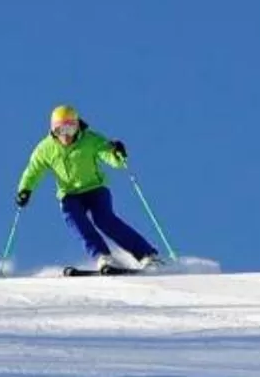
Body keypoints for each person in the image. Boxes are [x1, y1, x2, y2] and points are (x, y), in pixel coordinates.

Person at [15, 104, 164, 271]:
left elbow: (108, 155)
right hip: (69, 194)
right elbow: (33, 170)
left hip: (95, 189)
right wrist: (25, 189)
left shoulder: (91, 140)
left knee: (104, 220)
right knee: (75, 221)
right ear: (52, 131)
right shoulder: (45, 149)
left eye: (69, 129)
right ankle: (103, 257)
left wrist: (117, 154)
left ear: (77, 126)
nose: (65, 136)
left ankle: (147, 255)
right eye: (60, 130)